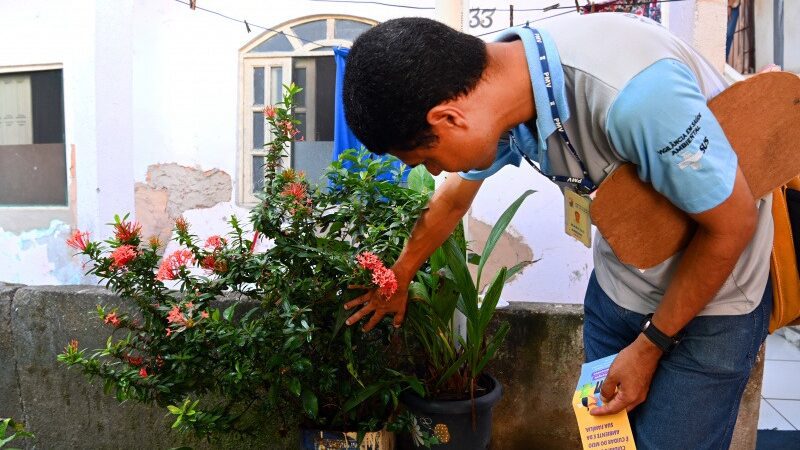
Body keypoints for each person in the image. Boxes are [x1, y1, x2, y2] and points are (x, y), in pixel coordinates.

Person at [341, 13, 773, 450]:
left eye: (426, 160)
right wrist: (399, 275)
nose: (436, 171)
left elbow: (731, 227)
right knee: (609, 444)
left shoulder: (636, 96)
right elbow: (453, 198)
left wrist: (649, 346)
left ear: (449, 118)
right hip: (618, 290)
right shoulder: (496, 81)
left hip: (711, 308)